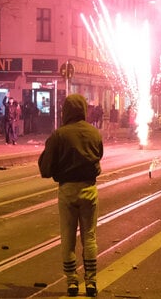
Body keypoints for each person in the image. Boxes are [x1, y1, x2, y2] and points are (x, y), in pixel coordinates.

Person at [38, 94, 103, 297]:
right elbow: (99, 157)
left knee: (68, 238)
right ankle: (91, 282)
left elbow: (46, 168)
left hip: (67, 190)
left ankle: (72, 282)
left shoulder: (59, 135)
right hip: (89, 190)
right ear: (83, 109)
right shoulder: (94, 133)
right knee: (90, 237)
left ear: (65, 111)